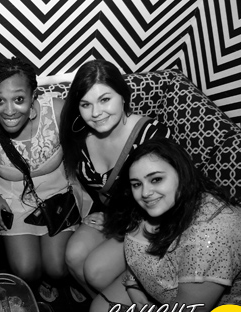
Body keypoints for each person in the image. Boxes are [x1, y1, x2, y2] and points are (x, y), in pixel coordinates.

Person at [89, 138, 241, 312]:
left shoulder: (212, 236)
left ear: (181, 174)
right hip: (174, 285)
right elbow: (136, 252)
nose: (145, 192)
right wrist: (135, 288)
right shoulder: (157, 204)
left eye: (156, 179)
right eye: (137, 184)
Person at [0, 57, 91, 291]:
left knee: (57, 267)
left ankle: (61, 282)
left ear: (33, 96)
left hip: (59, 196)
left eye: (18, 99)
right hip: (13, 200)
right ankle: (41, 283)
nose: (9, 111)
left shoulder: (57, 112)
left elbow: (81, 149)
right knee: (26, 270)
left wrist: (84, 193)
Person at [60, 59, 170, 296]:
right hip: (114, 215)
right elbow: (79, 182)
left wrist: (122, 220)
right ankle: (105, 309)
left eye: (105, 100)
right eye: (86, 104)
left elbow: (167, 198)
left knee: (95, 271)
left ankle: (135, 310)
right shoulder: (79, 136)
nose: (96, 113)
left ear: (123, 96)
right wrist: (91, 213)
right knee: (74, 255)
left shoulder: (151, 135)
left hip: (150, 221)